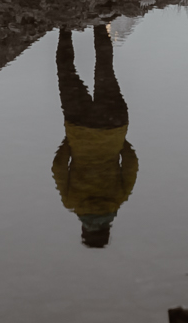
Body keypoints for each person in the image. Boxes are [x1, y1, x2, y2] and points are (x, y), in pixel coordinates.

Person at [51, 25, 137, 248]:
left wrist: (119, 140)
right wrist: (71, 141)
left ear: (108, 228)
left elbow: (131, 164)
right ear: (84, 228)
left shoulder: (118, 198)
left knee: (105, 68)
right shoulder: (72, 201)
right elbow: (58, 166)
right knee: (65, 70)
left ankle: (100, 23)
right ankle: (65, 27)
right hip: (79, 124)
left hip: (114, 122)